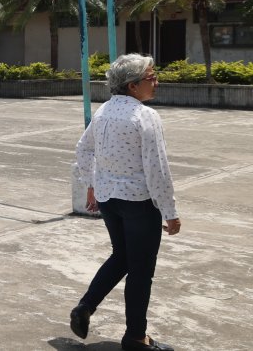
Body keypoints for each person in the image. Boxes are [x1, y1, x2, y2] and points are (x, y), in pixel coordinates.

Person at [71, 53, 181, 351]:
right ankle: (135, 337)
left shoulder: (105, 110)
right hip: (139, 203)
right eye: (151, 77)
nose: (156, 82)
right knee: (141, 270)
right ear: (133, 86)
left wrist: (92, 184)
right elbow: (157, 169)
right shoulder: (145, 117)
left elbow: (83, 150)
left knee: (122, 256)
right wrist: (170, 212)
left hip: (110, 201)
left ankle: (85, 307)